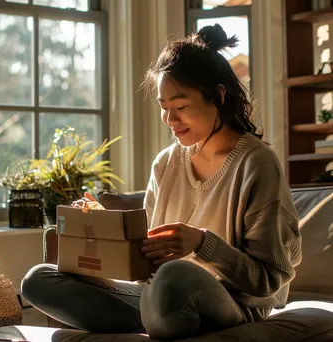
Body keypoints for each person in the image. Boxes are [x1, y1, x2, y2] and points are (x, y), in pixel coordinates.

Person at [21, 24, 302, 340]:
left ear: (219, 97)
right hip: (154, 295)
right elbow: (146, 268)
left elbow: (268, 281)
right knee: (39, 280)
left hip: (231, 303)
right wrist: (104, 231)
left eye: (180, 107)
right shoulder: (165, 163)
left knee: (175, 277)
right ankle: (159, 317)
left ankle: (159, 314)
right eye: (163, 108)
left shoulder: (256, 163)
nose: (170, 120)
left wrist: (201, 244)